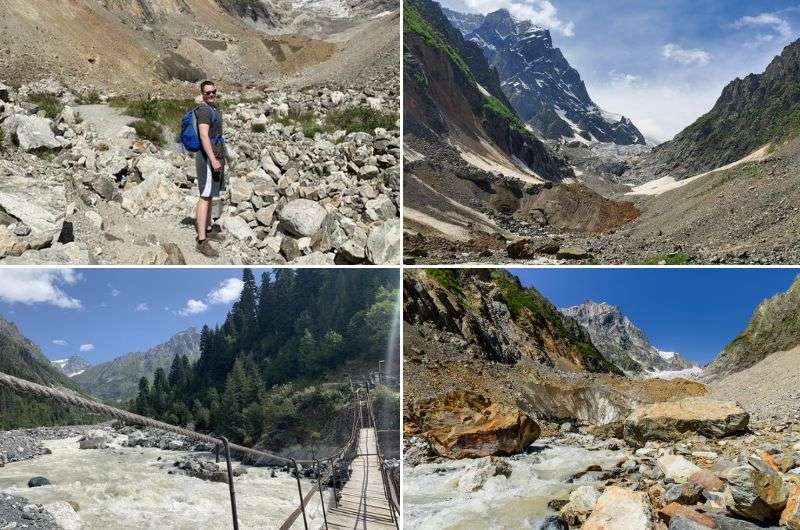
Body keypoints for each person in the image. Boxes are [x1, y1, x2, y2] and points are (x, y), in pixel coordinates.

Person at [194, 80, 226, 257]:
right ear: (202, 94)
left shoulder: (213, 108)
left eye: (213, 91)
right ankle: (201, 240)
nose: (211, 94)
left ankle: (207, 228)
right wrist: (213, 159)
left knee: (210, 193)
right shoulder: (205, 110)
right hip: (208, 158)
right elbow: (204, 136)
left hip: (215, 154)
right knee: (205, 196)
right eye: (207, 93)